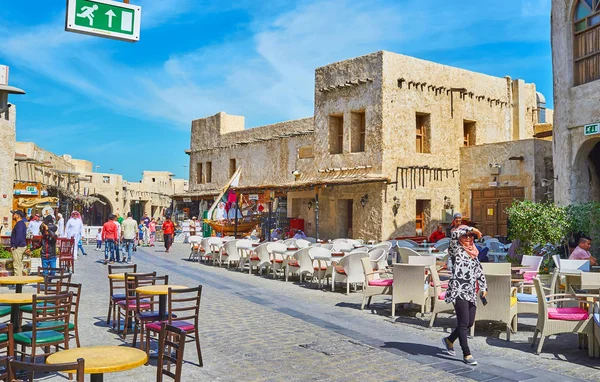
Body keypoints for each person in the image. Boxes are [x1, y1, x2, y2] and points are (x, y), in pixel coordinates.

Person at [442, 225, 487, 366]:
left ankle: (449, 340)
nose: (468, 238)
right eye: (465, 236)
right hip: (458, 290)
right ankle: (467, 354)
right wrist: (472, 229)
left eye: (470, 236)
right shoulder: (456, 249)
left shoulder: (474, 253)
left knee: (469, 323)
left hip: (471, 291)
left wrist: (484, 287)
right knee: (462, 324)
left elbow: (479, 271)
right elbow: (454, 235)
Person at [10, 210, 27, 276]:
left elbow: (19, 236)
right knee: (19, 264)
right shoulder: (21, 224)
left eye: (14, 214)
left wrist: (14, 246)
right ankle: (20, 281)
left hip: (18, 247)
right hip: (20, 245)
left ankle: (18, 282)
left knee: (17, 265)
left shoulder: (19, 224)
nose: (13, 215)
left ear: (18, 216)